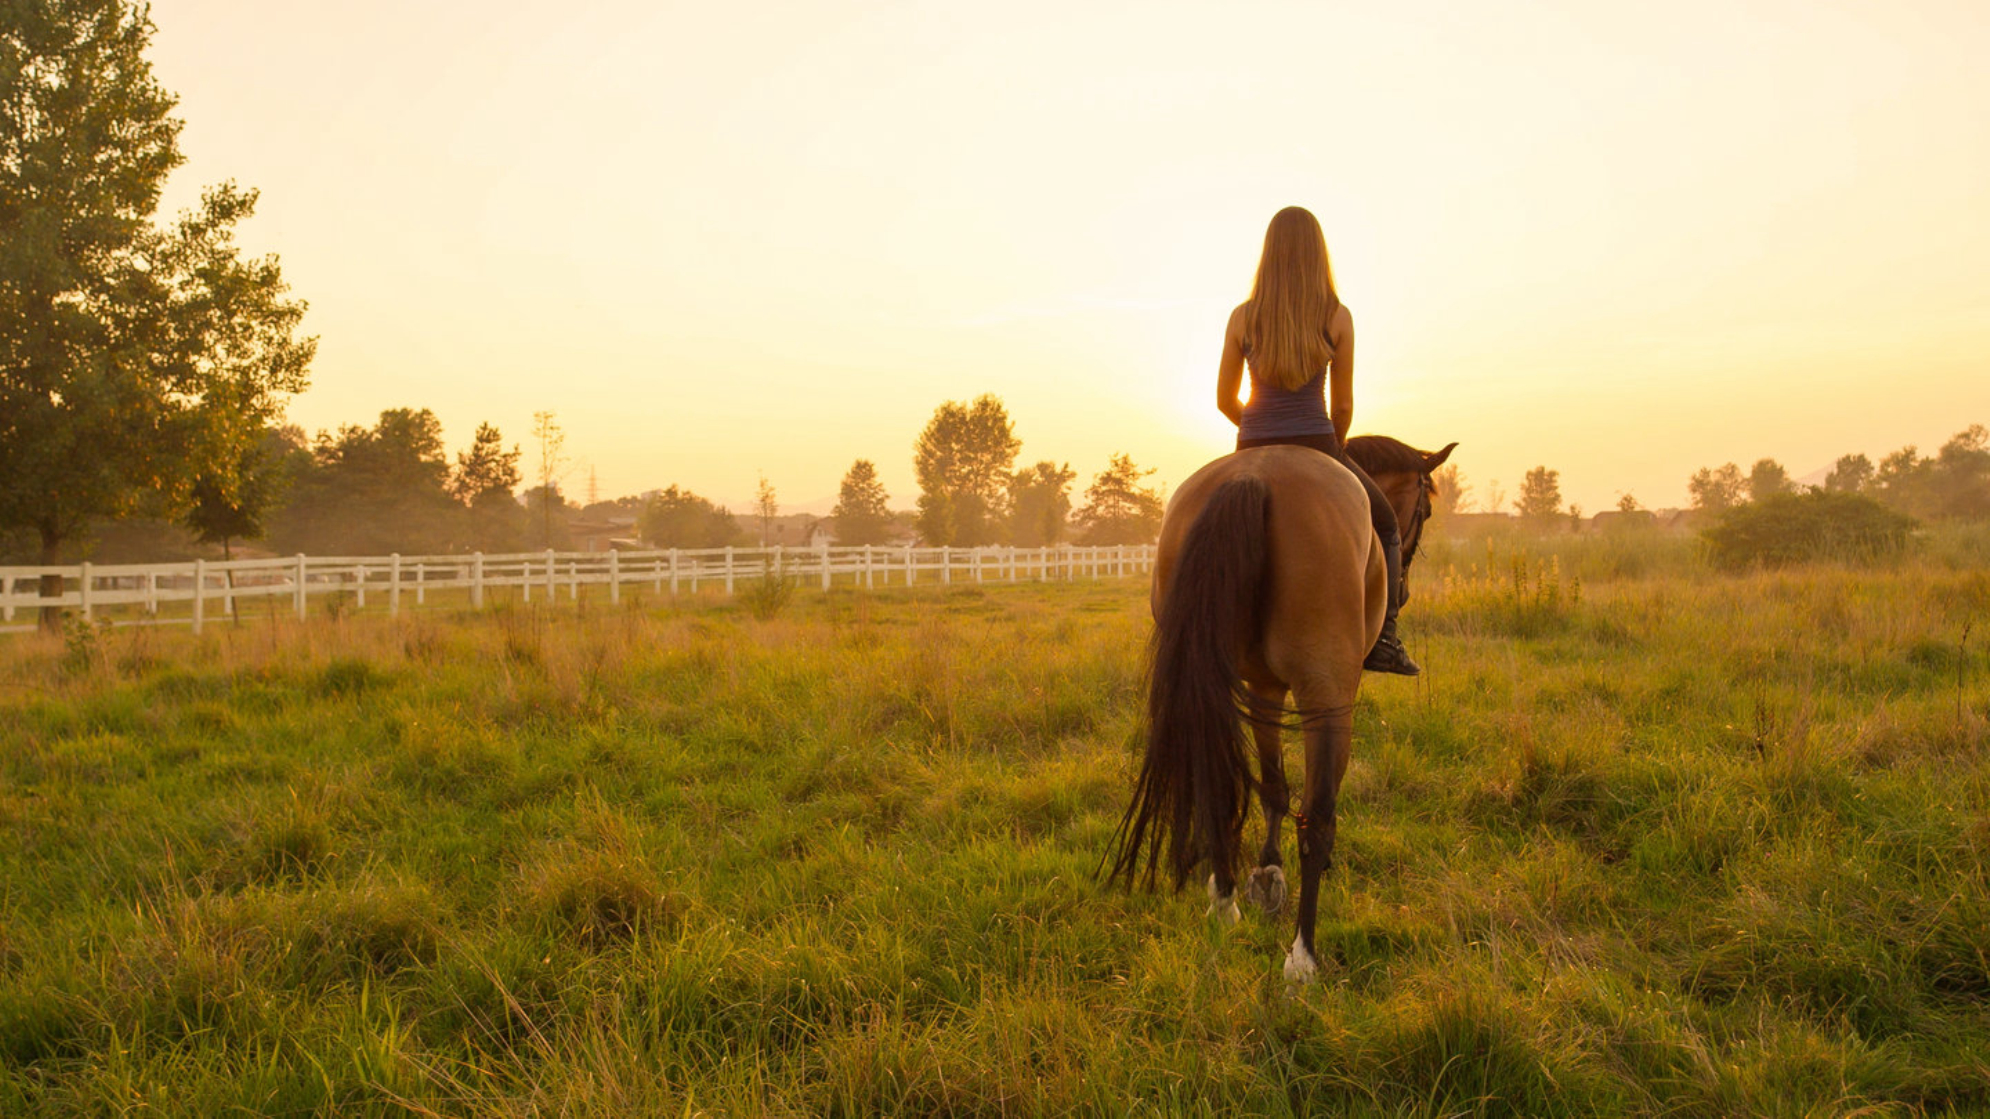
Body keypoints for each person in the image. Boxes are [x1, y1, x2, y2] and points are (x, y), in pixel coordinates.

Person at [1214, 206, 1419, 676]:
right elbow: (1343, 408)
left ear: (1269, 255)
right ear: (1317, 254)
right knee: (1386, 526)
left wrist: (1256, 427)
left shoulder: (1242, 318)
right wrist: (1335, 450)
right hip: (1318, 442)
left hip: (1252, 446)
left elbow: (1225, 399)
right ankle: (1384, 639)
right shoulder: (1336, 317)